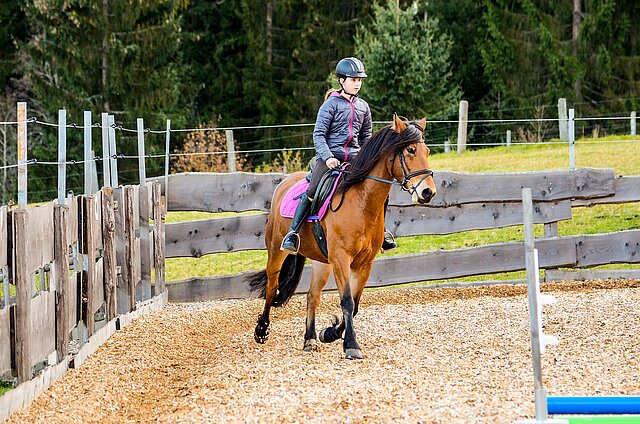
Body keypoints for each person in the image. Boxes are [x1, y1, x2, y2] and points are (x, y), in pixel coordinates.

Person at [280, 57, 397, 253]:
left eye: (360, 80)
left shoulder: (363, 107)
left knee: (379, 189)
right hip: (329, 158)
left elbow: (366, 137)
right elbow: (318, 135)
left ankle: (381, 232)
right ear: (342, 81)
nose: (357, 83)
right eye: (353, 80)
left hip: (354, 158)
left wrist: (367, 157)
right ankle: (292, 233)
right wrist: (328, 157)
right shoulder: (330, 105)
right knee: (313, 190)